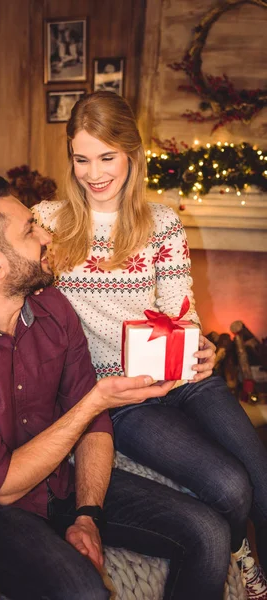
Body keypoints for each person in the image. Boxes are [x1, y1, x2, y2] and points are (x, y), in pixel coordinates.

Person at [0, 175, 235, 600]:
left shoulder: (53, 307)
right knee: (83, 590)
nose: (45, 234)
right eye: (29, 230)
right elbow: (3, 484)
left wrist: (88, 514)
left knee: (208, 532)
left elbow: (95, 425)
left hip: (62, 482)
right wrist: (96, 400)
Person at [32, 90, 267, 597]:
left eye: (107, 157)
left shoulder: (161, 223)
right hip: (122, 394)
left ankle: (260, 576)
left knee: (263, 480)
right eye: (81, 158)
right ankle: (237, 549)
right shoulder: (48, 222)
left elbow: (182, 308)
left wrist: (201, 344)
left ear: (131, 155)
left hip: (183, 376)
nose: (93, 173)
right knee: (230, 486)